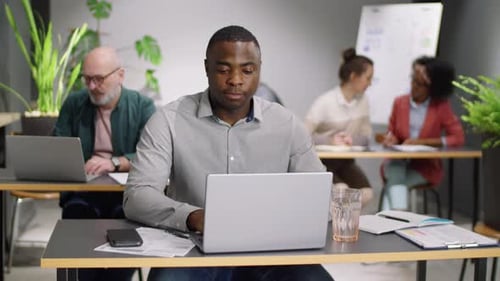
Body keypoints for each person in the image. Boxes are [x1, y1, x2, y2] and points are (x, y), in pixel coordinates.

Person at [123, 25, 333, 281]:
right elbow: (137, 196)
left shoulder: (286, 123)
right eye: (223, 69)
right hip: (192, 250)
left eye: (247, 70)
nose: (235, 79)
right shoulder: (168, 120)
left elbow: (320, 198)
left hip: (271, 253)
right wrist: (194, 217)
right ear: (206, 68)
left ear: (259, 69)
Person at [53, 46, 156, 281]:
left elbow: (151, 155)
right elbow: (59, 143)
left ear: (120, 75)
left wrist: (115, 162)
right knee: (77, 217)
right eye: (87, 79)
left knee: (126, 221)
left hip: (126, 193)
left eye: (98, 79)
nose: (91, 86)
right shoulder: (75, 103)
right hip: (83, 190)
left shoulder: (142, 106)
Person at [380, 56, 464, 210]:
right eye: (413, 80)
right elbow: (392, 132)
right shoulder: (400, 103)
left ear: (432, 87)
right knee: (396, 172)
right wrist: (390, 138)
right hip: (398, 161)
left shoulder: (441, 106)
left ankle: (388, 223)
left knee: (394, 185)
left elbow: (457, 138)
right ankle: (397, 222)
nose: (414, 86)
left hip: (425, 167)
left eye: (421, 84)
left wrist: (422, 142)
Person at [304, 48, 374, 206]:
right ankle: (336, 228)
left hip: (346, 162)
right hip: (322, 163)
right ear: (353, 76)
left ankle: (348, 228)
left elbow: (366, 137)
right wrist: (329, 140)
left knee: (366, 194)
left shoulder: (364, 102)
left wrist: (352, 139)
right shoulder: (325, 102)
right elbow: (303, 137)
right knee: (341, 191)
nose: (370, 83)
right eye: (368, 78)